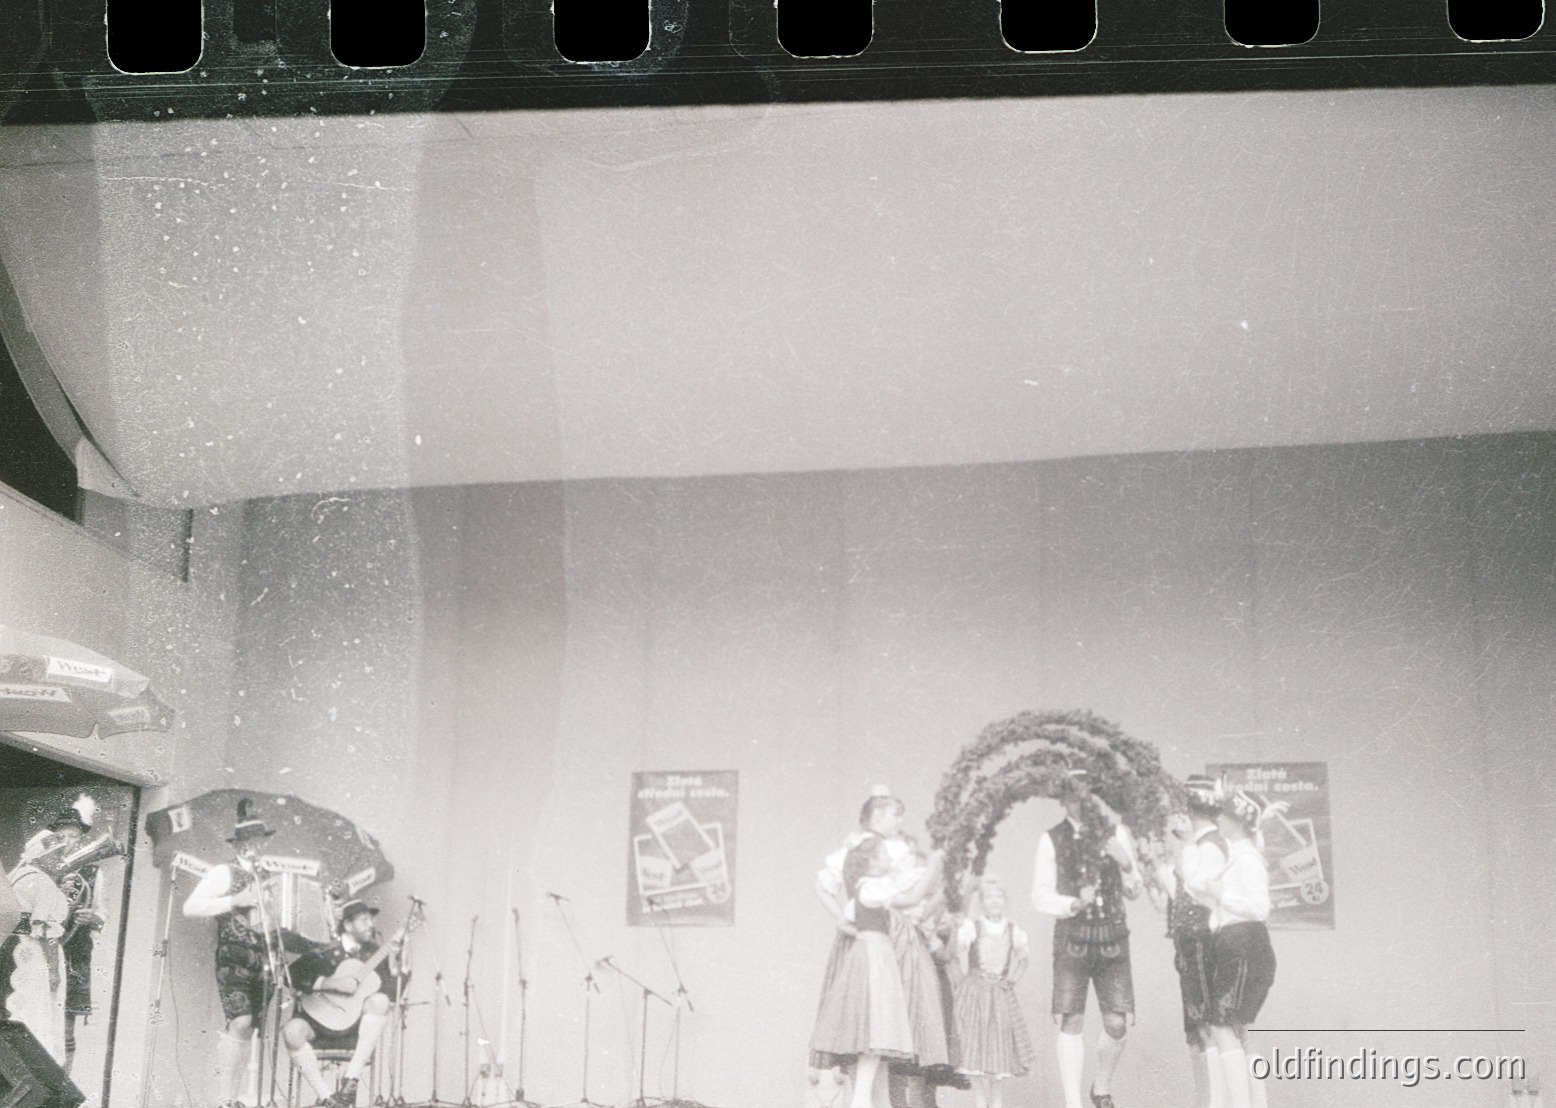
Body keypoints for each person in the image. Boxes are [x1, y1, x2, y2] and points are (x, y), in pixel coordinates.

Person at [813, 787, 952, 1108]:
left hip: (892, 935)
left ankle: (887, 1100)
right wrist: (844, 919)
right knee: (873, 1022)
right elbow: (822, 885)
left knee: (887, 1024)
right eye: (894, 813)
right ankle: (867, 1098)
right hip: (877, 941)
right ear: (876, 815)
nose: (900, 819)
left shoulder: (895, 848)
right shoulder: (863, 849)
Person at [1032, 768, 1143, 1108]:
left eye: (1089, 793)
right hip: (1073, 935)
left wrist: (1126, 865)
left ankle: (1101, 1086)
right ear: (1065, 799)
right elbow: (1039, 896)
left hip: (1112, 935)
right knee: (1071, 1017)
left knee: (1117, 1021)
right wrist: (1072, 903)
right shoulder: (1051, 838)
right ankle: (1072, 1103)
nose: (1084, 800)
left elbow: (1135, 890)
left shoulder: (1116, 833)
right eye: (1076, 794)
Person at [183, 799, 292, 1108]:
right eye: (251, 841)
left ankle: (242, 1097)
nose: (257, 846)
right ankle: (224, 1098)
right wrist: (235, 900)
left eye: (261, 841)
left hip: (264, 960)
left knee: (253, 1028)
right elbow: (190, 907)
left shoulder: (270, 876)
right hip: (234, 955)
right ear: (241, 843)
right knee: (240, 1022)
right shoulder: (223, 872)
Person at [1146, 776, 1229, 1108]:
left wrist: (1181, 849)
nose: (1176, 820)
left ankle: (1218, 1101)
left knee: (1208, 1023)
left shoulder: (1206, 847)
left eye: (1181, 812)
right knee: (1196, 1028)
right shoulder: (1188, 850)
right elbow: (1171, 898)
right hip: (1188, 943)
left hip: (1204, 941)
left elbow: (1204, 893)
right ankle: (1205, 1099)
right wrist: (1155, 864)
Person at [1194, 786, 1276, 1108]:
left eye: (1226, 814)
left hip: (1243, 944)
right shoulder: (1239, 856)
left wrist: (1220, 894)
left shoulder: (1248, 859)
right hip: (1238, 944)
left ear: (1240, 821)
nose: (1220, 819)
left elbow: (1260, 908)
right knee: (1236, 1029)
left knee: (1222, 1024)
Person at [282, 899, 393, 1107]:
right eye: (364, 920)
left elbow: (390, 991)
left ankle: (351, 1078)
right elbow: (292, 975)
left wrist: (401, 968)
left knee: (381, 1001)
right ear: (348, 925)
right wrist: (332, 983)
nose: (371, 925)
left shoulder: (376, 954)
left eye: (371, 920)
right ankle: (327, 1098)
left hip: (354, 1024)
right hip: (319, 1019)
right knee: (291, 1031)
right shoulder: (324, 950)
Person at [952, 875, 1034, 1108]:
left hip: (999, 995)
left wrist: (1012, 980)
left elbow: (1023, 960)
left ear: (1005, 900)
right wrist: (962, 982)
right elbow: (957, 952)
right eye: (989, 897)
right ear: (982, 902)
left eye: (999, 897)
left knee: (999, 1049)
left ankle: (996, 1103)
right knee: (975, 1047)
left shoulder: (1012, 929)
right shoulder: (973, 926)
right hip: (975, 994)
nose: (995, 901)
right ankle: (980, 1101)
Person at [47, 800, 108, 1076]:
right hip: (46, 949)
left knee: (67, 1023)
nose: (68, 841)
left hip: (75, 950)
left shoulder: (94, 873)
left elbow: (102, 913)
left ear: (83, 839)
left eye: (74, 836)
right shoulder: (42, 868)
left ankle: (63, 1086)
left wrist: (93, 918)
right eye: (61, 836)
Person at [1, 828, 72, 1063]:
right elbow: (44, 930)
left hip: (16, 948)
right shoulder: (41, 881)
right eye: (55, 854)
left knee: (20, 1004)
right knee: (38, 1007)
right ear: (40, 856)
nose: (60, 859)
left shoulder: (19, 874)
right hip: (36, 955)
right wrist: (52, 969)